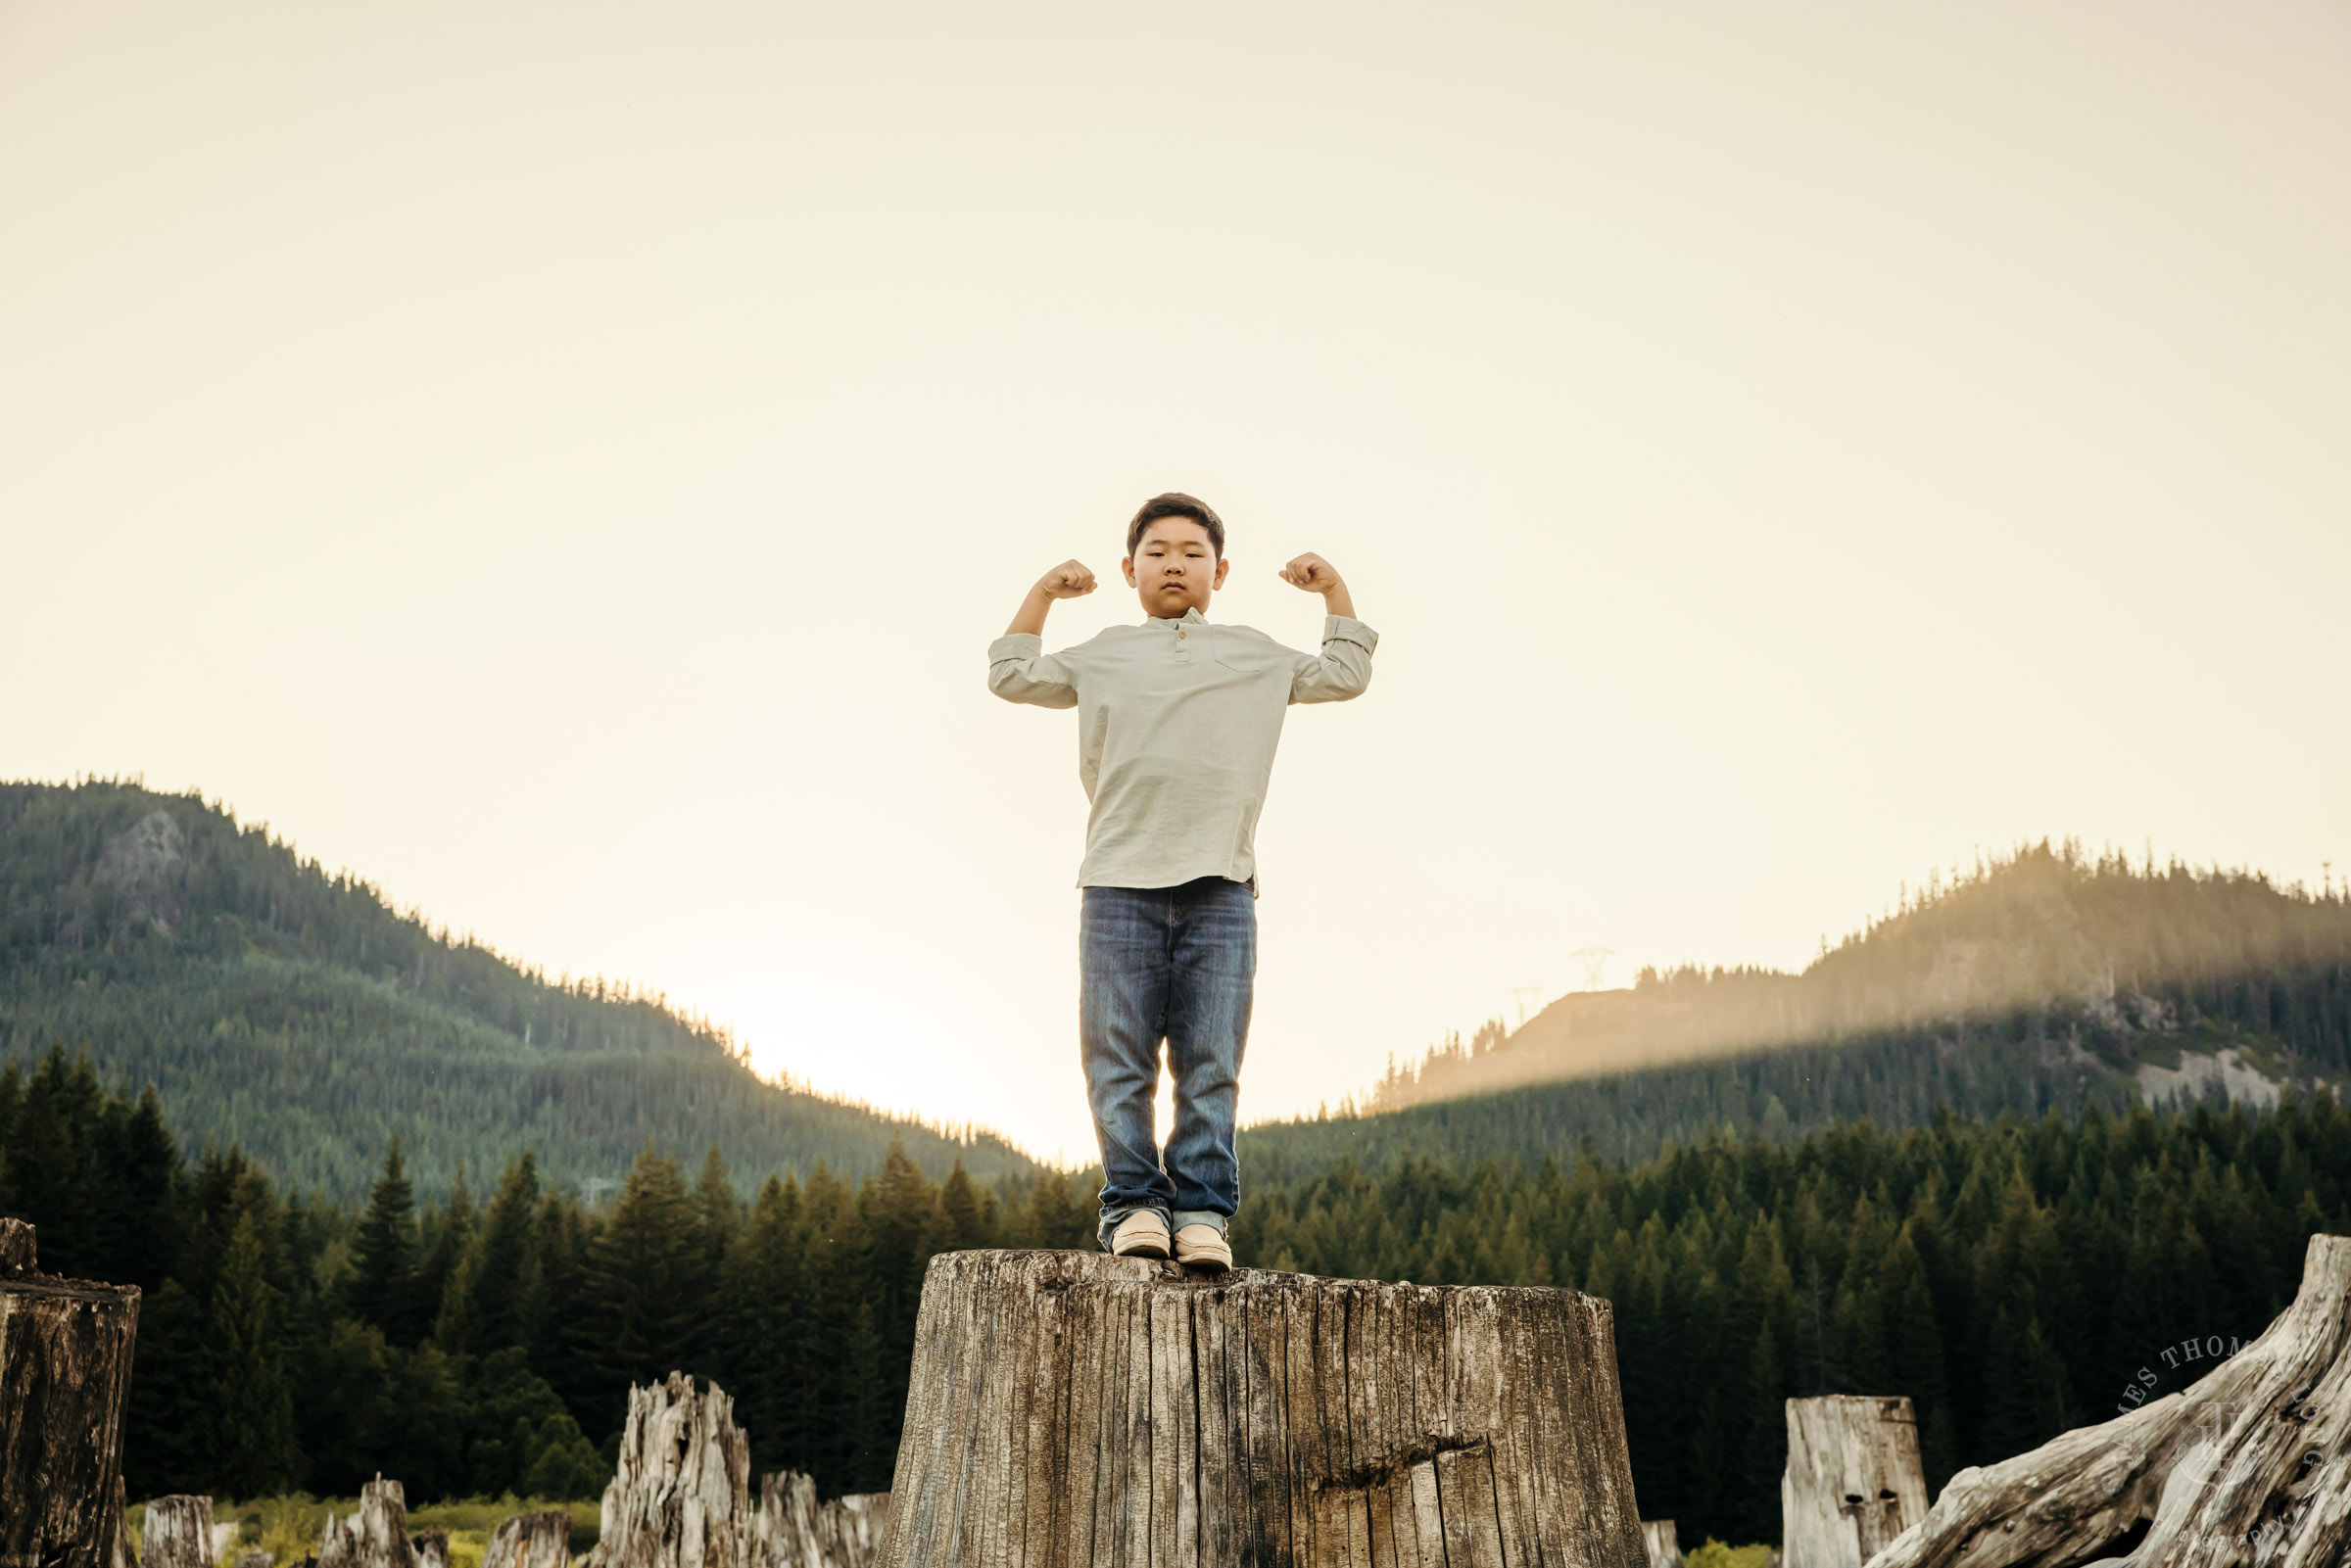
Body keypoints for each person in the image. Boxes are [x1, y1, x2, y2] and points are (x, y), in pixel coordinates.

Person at [986, 492, 1377, 1270]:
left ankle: (1201, 1211)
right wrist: (1044, 592)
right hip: (1117, 881)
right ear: (1129, 569)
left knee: (1209, 1058)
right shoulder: (1104, 651)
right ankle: (1133, 1202)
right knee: (1118, 1055)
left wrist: (1333, 588)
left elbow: (1344, 672)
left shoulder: (1254, 651)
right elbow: (1011, 674)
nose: (1175, 563)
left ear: (1220, 571)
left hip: (1222, 883)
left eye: (1192, 552)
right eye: (1158, 551)